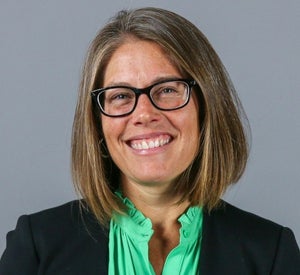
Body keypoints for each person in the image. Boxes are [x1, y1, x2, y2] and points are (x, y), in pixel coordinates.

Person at [0, 7, 299, 275]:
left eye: (167, 90)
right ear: (97, 123)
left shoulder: (271, 254)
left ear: (207, 107)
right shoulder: (37, 247)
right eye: (120, 96)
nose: (144, 114)